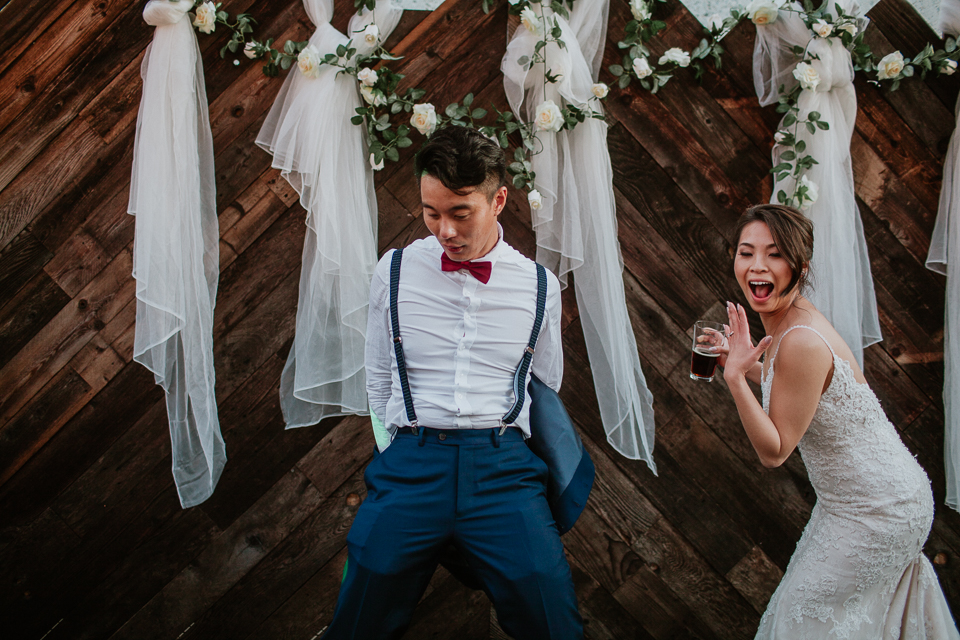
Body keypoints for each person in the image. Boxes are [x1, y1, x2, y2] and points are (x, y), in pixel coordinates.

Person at [322, 126, 583, 639]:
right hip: (411, 464)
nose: (444, 229)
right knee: (360, 614)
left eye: (460, 213)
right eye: (431, 212)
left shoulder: (538, 286)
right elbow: (378, 376)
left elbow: (543, 382)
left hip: (503, 471)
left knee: (551, 613)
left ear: (498, 200)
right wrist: (397, 450)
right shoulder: (392, 271)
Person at [713, 203, 959, 638]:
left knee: (799, 617)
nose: (757, 266)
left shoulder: (801, 340)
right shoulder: (792, 320)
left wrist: (735, 379)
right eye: (746, 252)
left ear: (800, 266)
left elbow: (775, 450)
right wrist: (739, 361)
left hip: (878, 509)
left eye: (774, 254)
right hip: (859, 502)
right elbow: (794, 390)